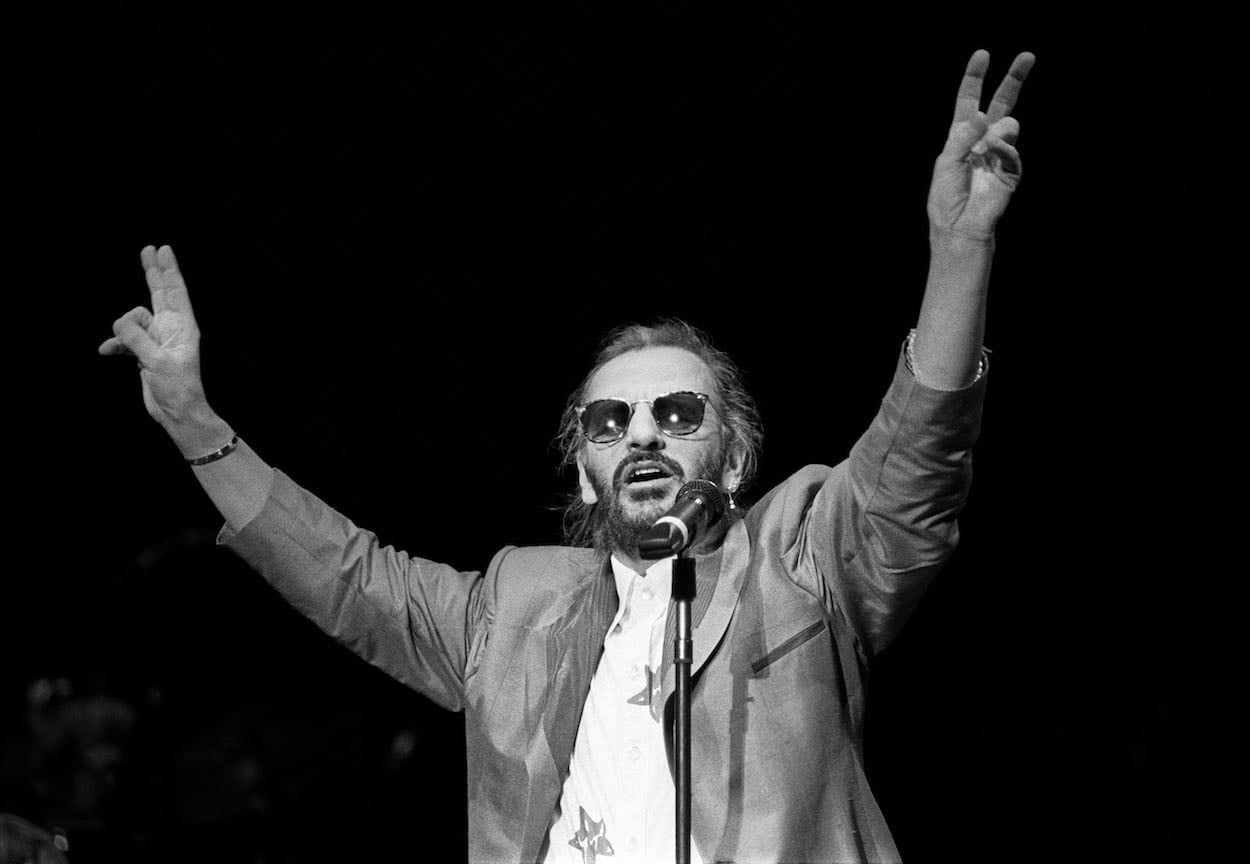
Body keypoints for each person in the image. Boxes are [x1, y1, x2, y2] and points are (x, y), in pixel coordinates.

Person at [100, 49, 1034, 864]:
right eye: (609, 422)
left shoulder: (802, 556)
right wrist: (194, 422)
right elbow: (346, 576)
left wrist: (959, 249)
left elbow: (916, 462)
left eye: (677, 413)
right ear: (584, 470)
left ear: (732, 459)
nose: (642, 434)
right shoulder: (514, 606)